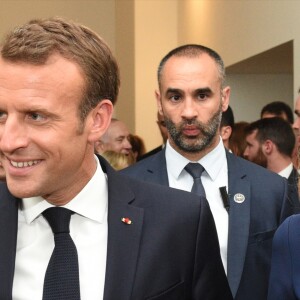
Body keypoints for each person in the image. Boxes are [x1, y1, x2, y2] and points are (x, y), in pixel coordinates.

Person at [0, 18, 232, 299]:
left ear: (97, 121)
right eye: (2, 115)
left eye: (36, 116)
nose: (9, 141)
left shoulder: (180, 223)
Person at [121, 44, 299, 300]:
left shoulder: (273, 191)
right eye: (175, 97)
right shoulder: (125, 189)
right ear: (159, 102)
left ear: (224, 98)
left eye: (202, 95)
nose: (189, 112)